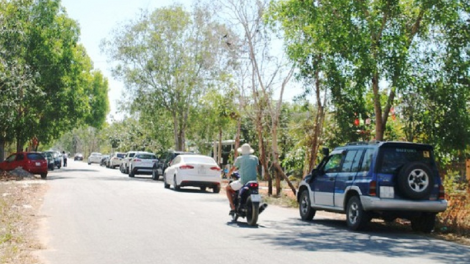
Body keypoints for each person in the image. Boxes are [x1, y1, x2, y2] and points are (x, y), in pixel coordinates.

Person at [226, 143, 259, 215]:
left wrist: (228, 174)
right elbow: (256, 170)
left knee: (227, 188)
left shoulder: (239, 159)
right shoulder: (255, 158)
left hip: (243, 182)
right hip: (254, 181)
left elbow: (233, 169)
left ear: (242, 151)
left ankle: (233, 207)